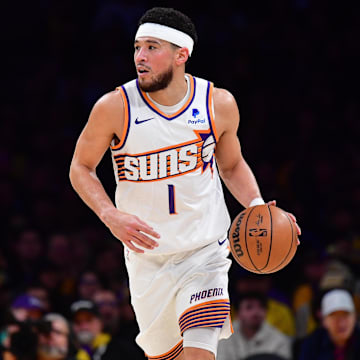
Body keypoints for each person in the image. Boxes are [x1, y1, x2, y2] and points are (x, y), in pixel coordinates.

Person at [69, 7, 300, 360]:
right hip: (148, 258)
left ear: (182, 54)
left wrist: (256, 206)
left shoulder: (217, 103)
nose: (140, 57)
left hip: (205, 249)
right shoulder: (114, 107)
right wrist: (109, 215)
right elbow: (80, 167)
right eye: (137, 47)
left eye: (152, 47)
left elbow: (232, 164)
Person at [217, 292, 292, 360]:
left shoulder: (280, 340)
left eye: (261, 307)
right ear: (238, 313)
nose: (256, 312)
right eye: (249, 307)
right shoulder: (223, 338)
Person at [298, 288, 360, 360]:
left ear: (355, 317)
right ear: (324, 321)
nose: (341, 323)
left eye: (346, 315)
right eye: (334, 316)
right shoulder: (312, 345)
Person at [70, 300, 143, 360]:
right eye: (78, 322)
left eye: (89, 320)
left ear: (100, 322)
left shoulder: (122, 350)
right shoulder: (67, 352)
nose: (84, 326)